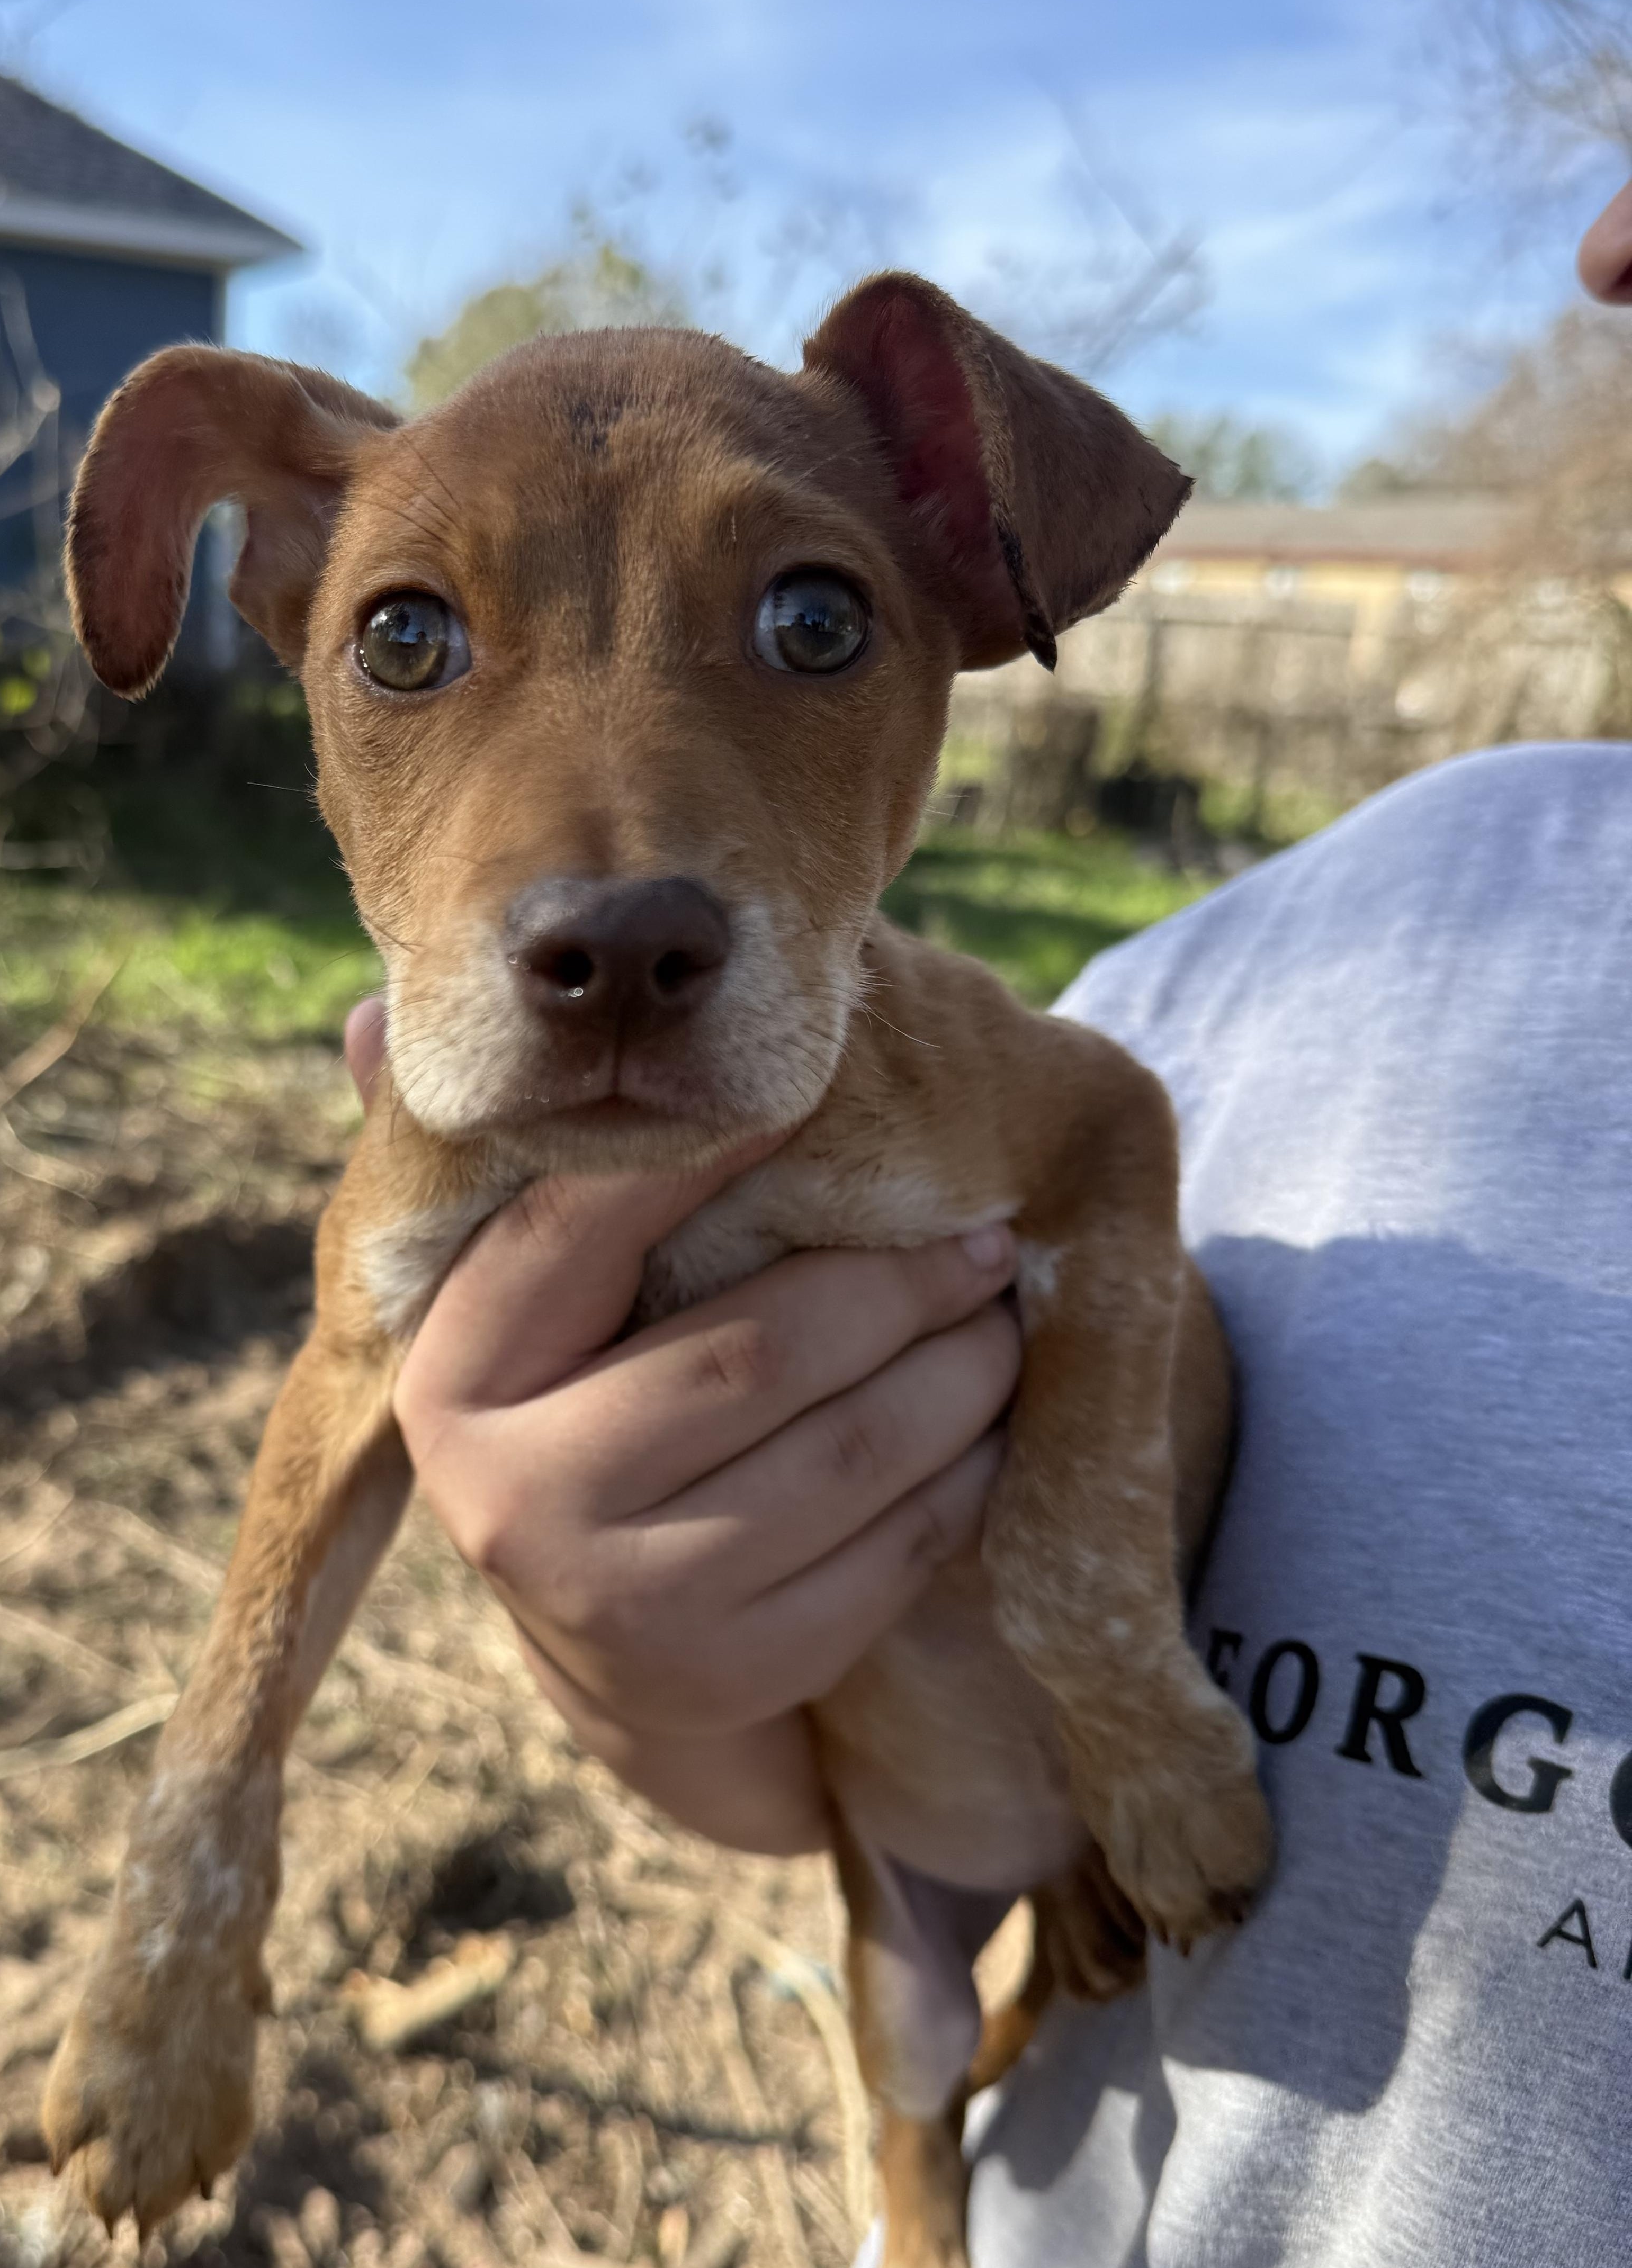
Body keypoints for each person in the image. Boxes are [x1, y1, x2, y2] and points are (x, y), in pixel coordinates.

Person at [339, 174, 1632, 2265]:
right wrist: (650, 1667)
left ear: (955, 535)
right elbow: (812, 1745)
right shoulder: (1292, 960)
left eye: (814, 624)